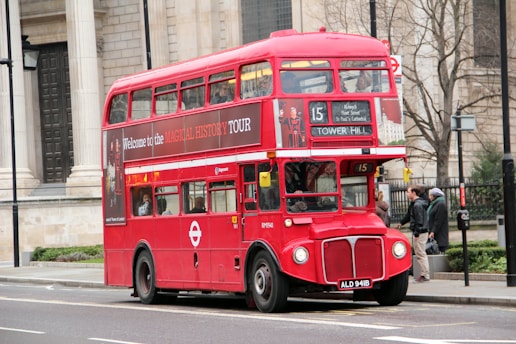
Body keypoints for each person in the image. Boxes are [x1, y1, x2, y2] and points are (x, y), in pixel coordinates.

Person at [397, 185, 430, 282]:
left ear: (414, 193)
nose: (407, 194)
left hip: (420, 232)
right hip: (420, 231)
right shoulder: (414, 204)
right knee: (419, 252)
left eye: (408, 192)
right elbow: (408, 216)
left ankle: (425, 275)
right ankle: (424, 274)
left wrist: (416, 233)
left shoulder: (417, 205)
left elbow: (419, 220)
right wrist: (401, 222)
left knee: (420, 253)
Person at [427, 187, 449, 253]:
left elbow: (438, 220)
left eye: (430, 195)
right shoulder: (434, 204)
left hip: (440, 235)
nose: (429, 197)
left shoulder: (440, 204)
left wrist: (433, 231)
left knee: (441, 251)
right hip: (435, 233)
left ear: (435, 196)